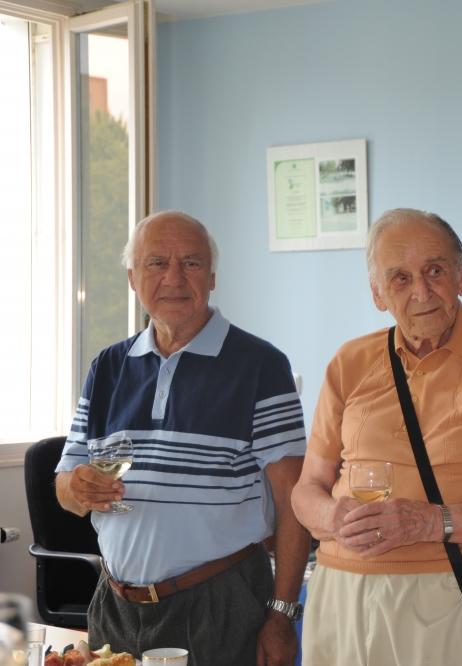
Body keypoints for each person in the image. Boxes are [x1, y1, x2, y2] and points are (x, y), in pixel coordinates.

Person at [291, 208, 462, 665]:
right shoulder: (350, 361)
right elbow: (306, 490)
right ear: (378, 293)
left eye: (435, 271)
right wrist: (333, 517)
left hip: (448, 594)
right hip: (339, 595)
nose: (421, 292)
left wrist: (431, 522)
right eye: (400, 278)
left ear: (461, 277)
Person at [55, 211, 311, 666]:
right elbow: (65, 489)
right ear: (132, 278)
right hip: (115, 606)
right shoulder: (107, 367)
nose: (174, 278)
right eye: (157, 263)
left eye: (191, 263)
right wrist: (77, 488)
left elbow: (294, 500)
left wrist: (282, 614)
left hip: (219, 605)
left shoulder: (261, 366)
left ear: (212, 278)